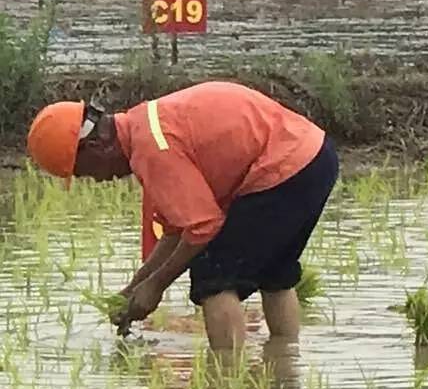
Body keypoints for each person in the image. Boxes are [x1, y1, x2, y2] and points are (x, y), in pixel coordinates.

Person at [25, 81, 339, 350]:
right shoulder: (145, 127)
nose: (96, 180)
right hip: (313, 157)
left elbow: (202, 227)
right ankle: (285, 365)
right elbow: (177, 230)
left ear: (95, 146)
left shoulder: (153, 148)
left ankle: (228, 386)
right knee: (274, 273)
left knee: (212, 277)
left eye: (84, 172)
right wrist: (136, 287)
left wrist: (157, 285)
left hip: (284, 167)